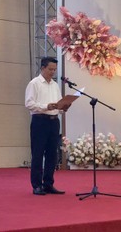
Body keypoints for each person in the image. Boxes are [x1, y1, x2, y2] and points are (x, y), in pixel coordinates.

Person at [25, 57, 71, 196]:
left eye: (54, 70)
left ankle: (48, 184)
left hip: (54, 121)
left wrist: (63, 108)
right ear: (43, 68)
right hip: (40, 121)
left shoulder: (55, 85)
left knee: (52, 154)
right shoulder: (34, 83)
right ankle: (37, 185)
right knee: (38, 154)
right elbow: (29, 103)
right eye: (50, 69)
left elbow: (58, 104)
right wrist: (46, 106)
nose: (53, 72)